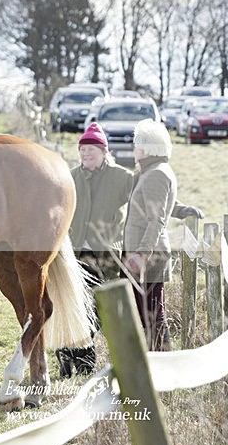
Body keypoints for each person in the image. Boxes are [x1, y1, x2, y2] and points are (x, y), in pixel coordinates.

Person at [57, 122, 133, 377]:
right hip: (76, 253)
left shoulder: (121, 177)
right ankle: (76, 358)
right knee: (76, 304)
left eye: (91, 150)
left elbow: (149, 198)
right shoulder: (70, 177)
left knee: (103, 308)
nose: (85, 154)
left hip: (107, 254)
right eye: (82, 150)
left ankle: (89, 355)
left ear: (104, 151)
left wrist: (179, 209)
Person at [123, 118, 203, 351]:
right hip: (142, 254)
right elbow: (161, 202)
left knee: (153, 315)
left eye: (137, 143)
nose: (134, 148)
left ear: (148, 148)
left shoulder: (156, 174)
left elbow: (156, 218)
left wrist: (141, 253)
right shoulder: (151, 171)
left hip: (148, 255)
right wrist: (181, 209)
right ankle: (154, 361)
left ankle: (164, 363)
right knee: (146, 313)